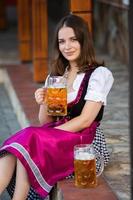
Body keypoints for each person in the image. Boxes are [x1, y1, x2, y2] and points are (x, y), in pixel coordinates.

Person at [0, 14, 114, 200]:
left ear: (84, 41)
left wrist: (47, 135)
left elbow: (85, 120)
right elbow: (46, 121)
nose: (67, 46)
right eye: (62, 41)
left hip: (85, 143)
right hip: (58, 137)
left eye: (73, 40)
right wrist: (43, 101)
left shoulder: (98, 74)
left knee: (30, 138)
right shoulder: (57, 75)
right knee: (18, 148)